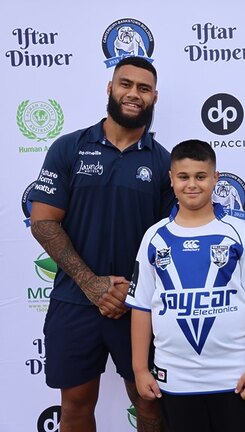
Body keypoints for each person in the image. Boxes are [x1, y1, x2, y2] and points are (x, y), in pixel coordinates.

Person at [29, 56, 174, 432]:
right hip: (74, 300)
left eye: (143, 88)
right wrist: (92, 284)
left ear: (154, 97)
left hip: (138, 305)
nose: (133, 94)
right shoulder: (68, 148)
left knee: (149, 404)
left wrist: (132, 290)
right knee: (75, 406)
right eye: (126, 84)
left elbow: (170, 240)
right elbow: (43, 222)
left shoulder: (163, 163)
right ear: (110, 88)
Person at [127, 139, 245, 432]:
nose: (192, 185)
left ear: (215, 179)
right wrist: (139, 368)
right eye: (183, 177)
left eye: (200, 176)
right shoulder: (154, 237)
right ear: (171, 179)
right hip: (176, 378)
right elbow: (142, 307)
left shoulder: (239, 233)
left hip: (234, 378)